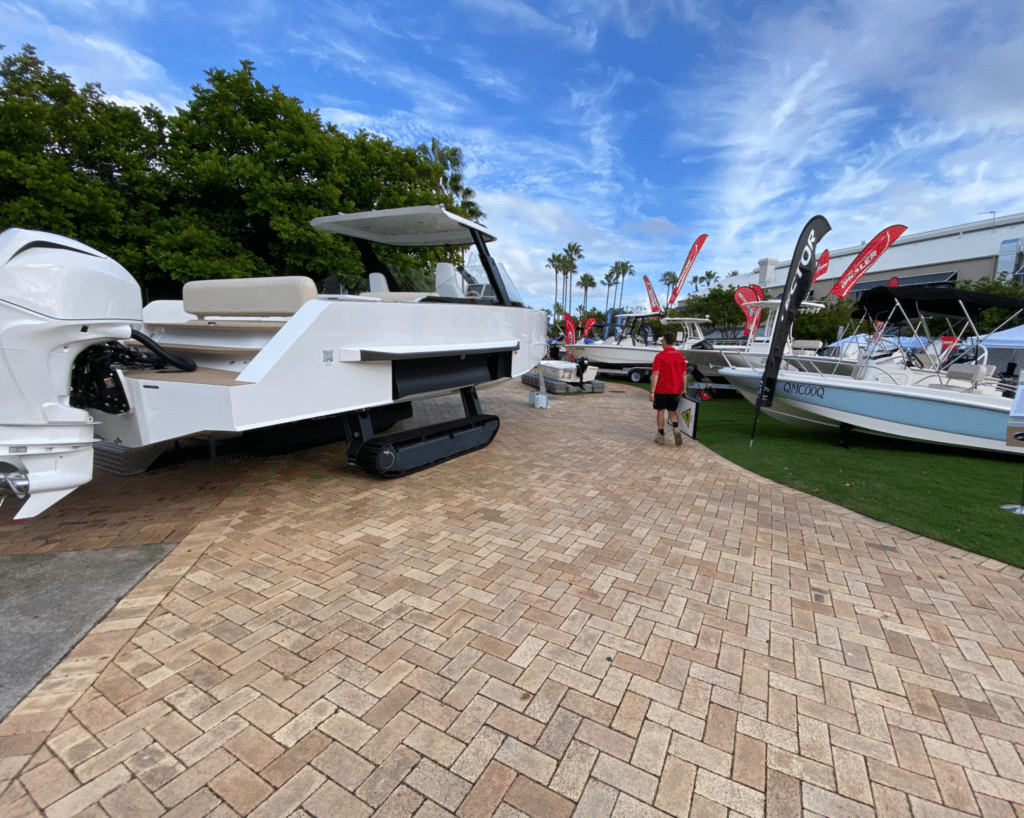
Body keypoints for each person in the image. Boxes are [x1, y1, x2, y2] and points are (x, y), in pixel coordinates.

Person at [649, 330, 687, 446]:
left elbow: (655, 374)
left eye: (662, 341)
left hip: (661, 389)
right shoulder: (680, 356)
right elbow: (684, 375)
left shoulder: (660, 356)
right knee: (672, 411)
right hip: (675, 390)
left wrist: (652, 392)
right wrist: (684, 389)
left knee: (660, 412)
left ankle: (661, 436)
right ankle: (676, 428)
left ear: (665, 341)